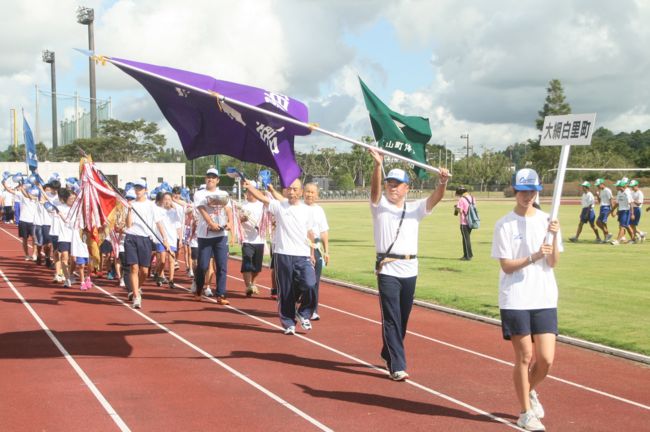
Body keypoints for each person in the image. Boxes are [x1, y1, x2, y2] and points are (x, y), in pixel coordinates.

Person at [369, 148, 449, 381]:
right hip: (388, 270)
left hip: (410, 269)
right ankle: (397, 364)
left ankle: (388, 351)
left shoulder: (415, 208)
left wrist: (442, 183)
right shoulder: (378, 205)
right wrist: (377, 166)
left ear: (407, 188)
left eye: (397, 184)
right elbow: (374, 192)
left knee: (403, 318)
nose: (392, 187)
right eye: (389, 183)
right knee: (392, 318)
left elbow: (435, 198)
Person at [491, 168, 561, 432]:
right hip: (516, 297)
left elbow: (553, 262)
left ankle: (529, 391)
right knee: (525, 356)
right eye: (523, 190)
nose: (527, 195)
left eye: (532, 191)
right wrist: (533, 256)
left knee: (546, 359)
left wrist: (553, 239)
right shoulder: (504, 224)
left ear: (537, 191)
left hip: (544, 295)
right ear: (515, 190)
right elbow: (507, 265)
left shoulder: (548, 221)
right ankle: (525, 413)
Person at [244, 178, 317, 335]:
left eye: (295, 189)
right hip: (283, 254)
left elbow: (310, 232)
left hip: (302, 255)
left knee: (310, 283)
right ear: (285, 191)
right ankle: (288, 323)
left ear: (301, 192)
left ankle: (304, 313)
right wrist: (250, 187)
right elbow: (263, 198)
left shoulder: (307, 210)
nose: (292, 192)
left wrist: (312, 253)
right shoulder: (279, 206)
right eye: (289, 189)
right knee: (286, 290)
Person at [192, 168, 233, 304]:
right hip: (205, 235)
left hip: (221, 235)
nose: (210, 179)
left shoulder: (223, 193)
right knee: (203, 266)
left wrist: (230, 222)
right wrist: (210, 223)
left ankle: (221, 295)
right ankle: (198, 289)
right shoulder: (199, 194)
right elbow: (201, 209)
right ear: (205, 179)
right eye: (208, 176)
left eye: (213, 177)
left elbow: (228, 208)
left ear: (217, 180)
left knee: (221, 266)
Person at [124, 179, 167, 309]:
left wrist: (165, 239)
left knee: (144, 270)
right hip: (131, 237)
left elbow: (159, 223)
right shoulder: (131, 204)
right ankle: (136, 296)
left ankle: (137, 287)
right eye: (136, 188)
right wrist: (130, 210)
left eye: (140, 188)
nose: (138, 191)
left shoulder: (151, 205)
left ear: (145, 190)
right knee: (134, 268)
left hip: (145, 239)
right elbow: (128, 224)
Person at [303, 182, 329, 320]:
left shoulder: (319, 210)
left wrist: (327, 251)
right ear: (303, 192)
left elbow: (324, 232)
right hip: (302, 248)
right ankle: (301, 306)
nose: (310, 195)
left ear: (317, 195)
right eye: (307, 191)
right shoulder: (299, 208)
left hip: (316, 248)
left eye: (313, 192)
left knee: (315, 282)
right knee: (303, 281)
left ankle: (312, 310)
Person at [239, 180, 266, 297]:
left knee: (256, 267)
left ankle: (253, 284)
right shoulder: (243, 205)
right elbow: (236, 221)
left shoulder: (263, 205)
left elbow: (269, 220)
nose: (249, 192)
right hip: (247, 240)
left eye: (252, 190)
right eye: (248, 190)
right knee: (247, 263)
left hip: (259, 240)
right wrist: (242, 219)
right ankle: (248, 286)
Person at [610, 179, 634, 245]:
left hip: (626, 211)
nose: (616, 187)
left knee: (622, 226)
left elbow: (631, 203)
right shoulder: (619, 193)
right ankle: (633, 239)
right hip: (621, 211)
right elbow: (617, 203)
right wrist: (612, 210)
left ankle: (617, 241)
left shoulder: (627, 193)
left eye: (617, 186)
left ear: (621, 186)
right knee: (627, 226)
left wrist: (632, 214)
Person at [454, 185, 475, 260]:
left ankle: (467, 256)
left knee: (466, 239)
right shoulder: (472, 198)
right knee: (467, 238)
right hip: (471, 221)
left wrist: (456, 207)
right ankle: (468, 255)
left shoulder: (461, 199)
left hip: (464, 222)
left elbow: (460, 211)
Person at [595, 178, 613, 242]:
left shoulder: (607, 190)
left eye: (598, 185)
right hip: (602, 207)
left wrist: (612, 210)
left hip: (606, 208)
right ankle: (606, 237)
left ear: (602, 184)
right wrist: (597, 196)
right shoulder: (601, 191)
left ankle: (607, 234)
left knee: (599, 222)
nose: (597, 186)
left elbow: (611, 200)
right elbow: (600, 202)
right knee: (602, 223)